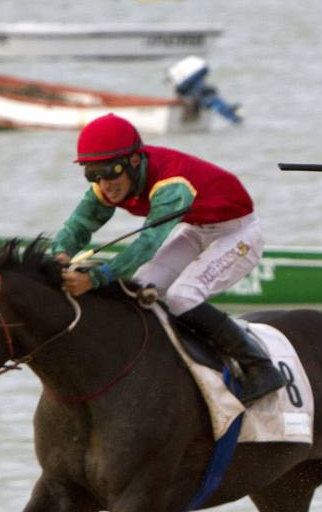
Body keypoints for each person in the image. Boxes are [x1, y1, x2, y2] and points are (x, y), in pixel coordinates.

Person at [50, 113, 283, 402]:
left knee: (182, 298)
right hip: (198, 230)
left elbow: (147, 244)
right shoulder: (107, 184)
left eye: (110, 170)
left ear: (134, 160)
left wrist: (95, 277)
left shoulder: (172, 186)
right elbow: (78, 227)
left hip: (238, 234)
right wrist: (59, 254)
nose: (104, 183)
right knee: (140, 287)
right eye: (92, 174)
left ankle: (259, 367)